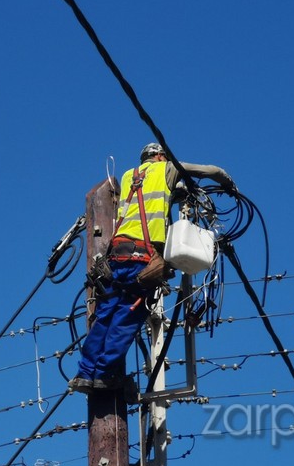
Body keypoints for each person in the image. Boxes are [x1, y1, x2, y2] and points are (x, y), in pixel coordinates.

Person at [69, 143, 235, 393]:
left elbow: (150, 200)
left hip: (117, 256)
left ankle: (85, 374)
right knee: (125, 319)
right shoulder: (166, 169)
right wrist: (228, 184)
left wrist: (178, 192)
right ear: (159, 156)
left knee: (104, 317)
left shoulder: (129, 176)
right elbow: (210, 170)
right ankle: (103, 376)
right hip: (142, 259)